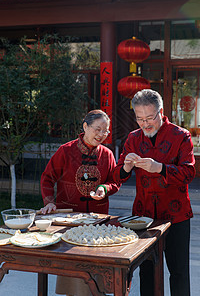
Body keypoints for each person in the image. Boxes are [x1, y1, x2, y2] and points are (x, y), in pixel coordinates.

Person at [113, 89, 195, 296]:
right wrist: (126, 168)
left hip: (176, 216)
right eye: (139, 119)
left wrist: (160, 168)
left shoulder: (181, 136)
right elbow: (117, 176)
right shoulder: (132, 138)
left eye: (150, 117)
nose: (145, 124)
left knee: (179, 273)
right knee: (146, 271)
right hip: (144, 216)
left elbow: (189, 173)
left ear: (161, 112)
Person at [40, 109, 120, 296]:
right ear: (85, 126)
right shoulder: (65, 151)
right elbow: (47, 178)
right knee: (74, 273)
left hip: (98, 221)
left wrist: (105, 188)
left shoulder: (107, 155)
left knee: (97, 268)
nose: (101, 134)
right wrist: (49, 202)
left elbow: (114, 181)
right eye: (97, 129)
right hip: (69, 222)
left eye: (105, 131)